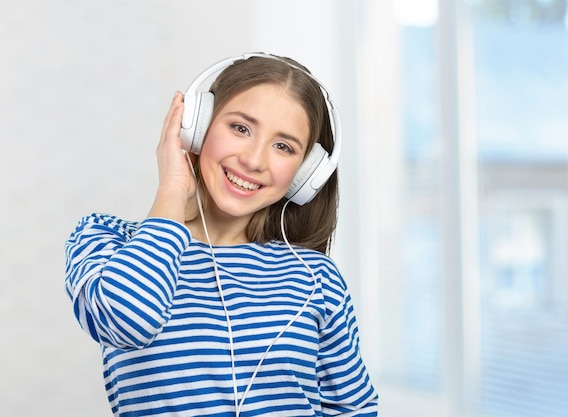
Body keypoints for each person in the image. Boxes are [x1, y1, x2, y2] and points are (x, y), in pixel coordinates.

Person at [64, 53, 378, 417]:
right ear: (197, 127)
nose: (254, 160)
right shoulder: (107, 240)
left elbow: (354, 409)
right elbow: (127, 319)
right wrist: (172, 189)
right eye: (241, 128)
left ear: (306, 173)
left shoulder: (316, 276)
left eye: (283, 146)